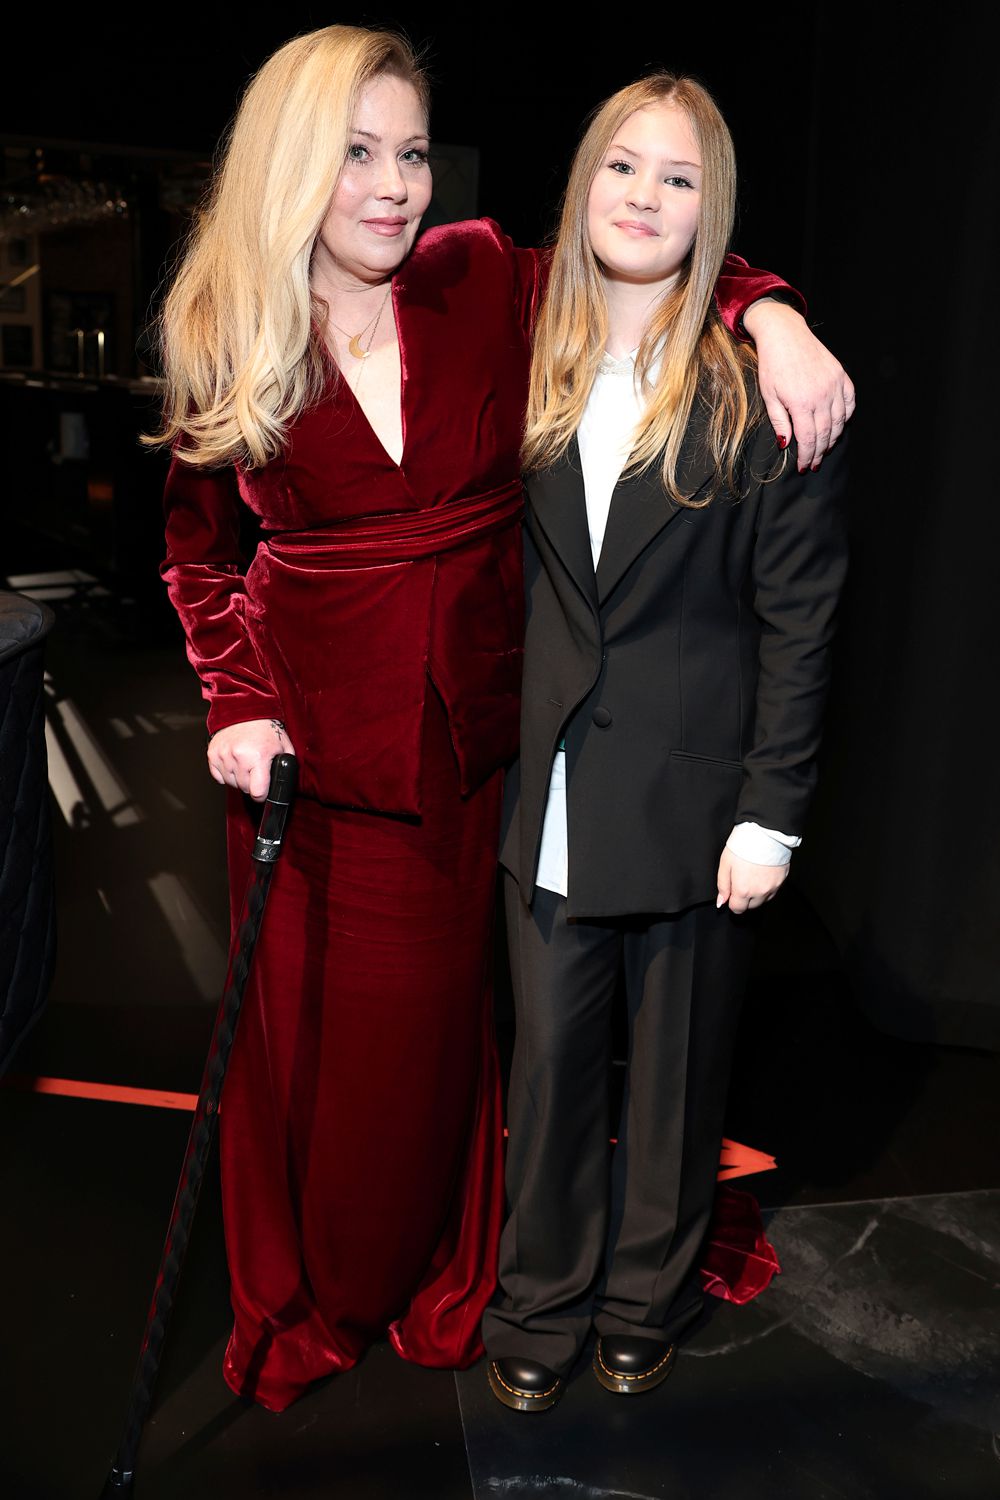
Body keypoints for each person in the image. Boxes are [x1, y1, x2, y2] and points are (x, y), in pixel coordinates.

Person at [153, 25, 852, 1412]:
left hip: (481, 747)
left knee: (455, 1049)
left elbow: (646, 251)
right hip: (312, 747)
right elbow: (194, 555)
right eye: (356, 154)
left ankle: (462, 1275)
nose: (393, 186)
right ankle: (317, 1297)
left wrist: (773, 307)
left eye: (412, 152)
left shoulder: (474, 278)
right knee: (319, 1057)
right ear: (293, 161)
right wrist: (235, 701)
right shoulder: (223, 324)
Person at [482, 72, 849, 1411]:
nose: (644, 198)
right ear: (582, 182)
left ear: (716, 212)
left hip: (700, 806)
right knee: (553, 1067)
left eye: (678, 179)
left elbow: (801, 621)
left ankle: (646, 1297)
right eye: (622, 168)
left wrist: (775, 812)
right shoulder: (522, 354)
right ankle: (540, 1298)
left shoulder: (763, 389)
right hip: (551, 793)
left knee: (683, 1078)